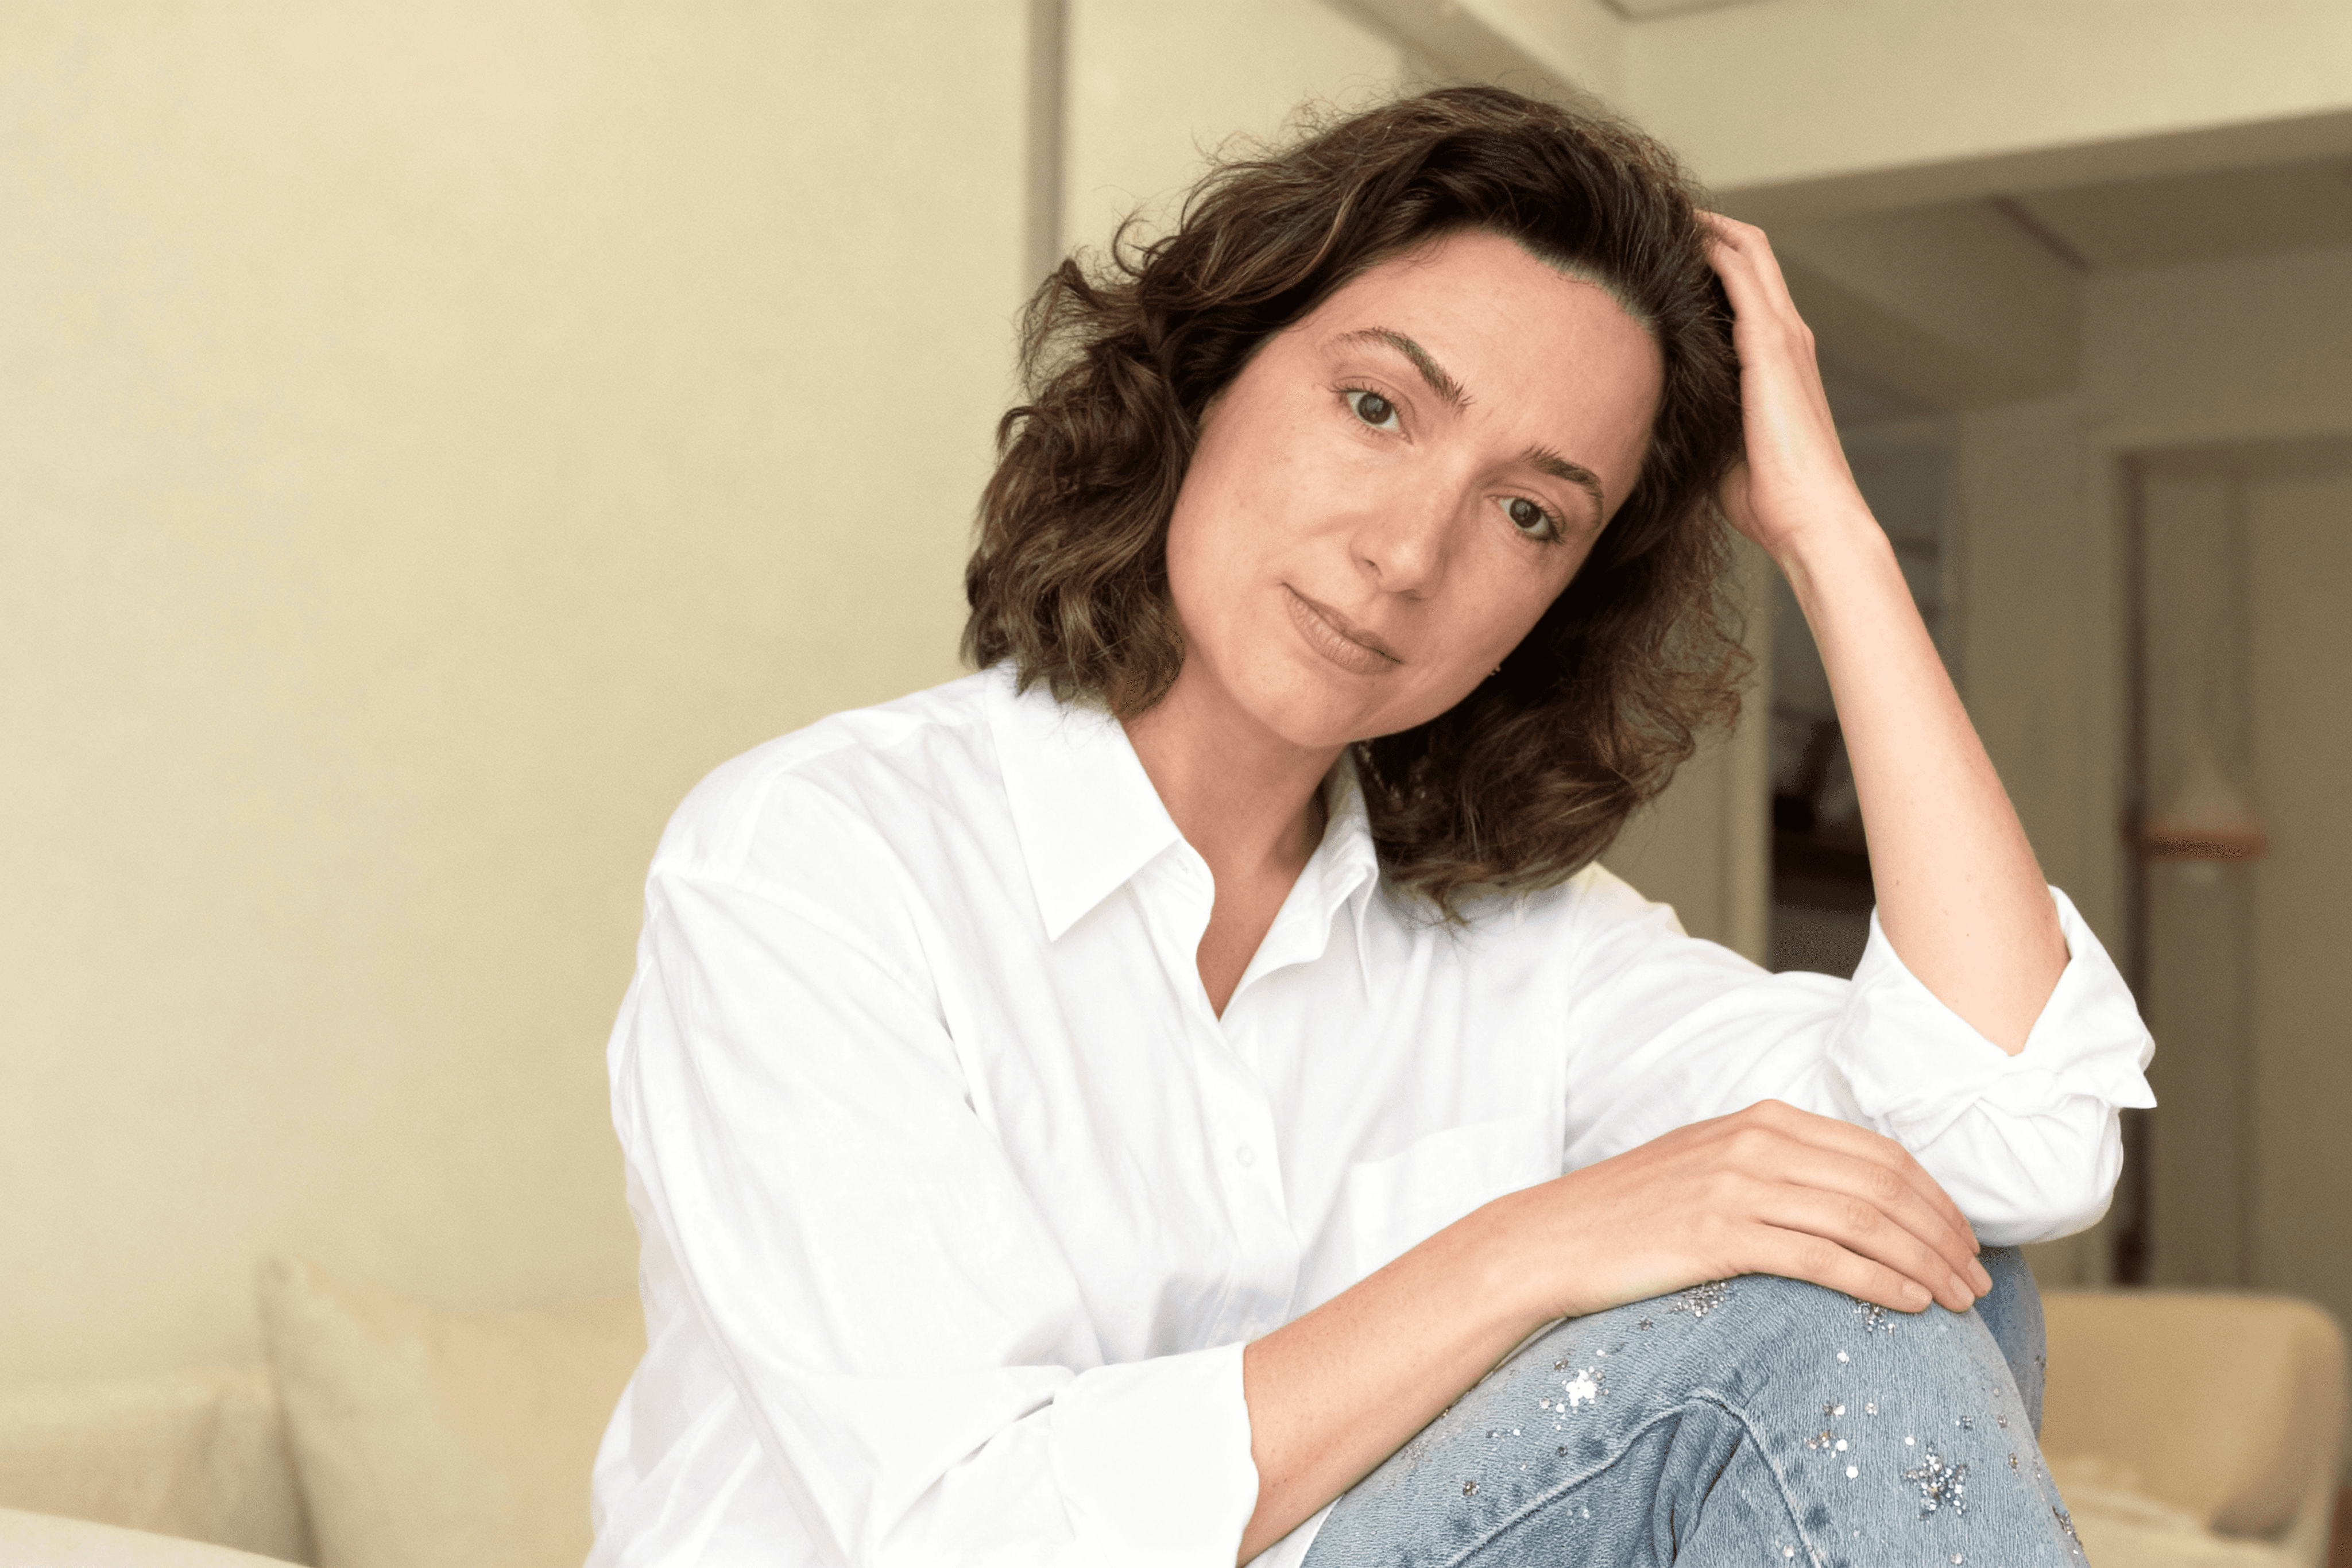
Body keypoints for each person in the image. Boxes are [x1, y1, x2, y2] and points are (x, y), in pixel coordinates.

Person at [585, 86, 2153, 1567]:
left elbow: (2006, 1142)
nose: (1411, 553)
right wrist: (1536, 1246)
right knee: (1822, 1316)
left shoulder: (1518, 941)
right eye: (1377, 405)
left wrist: (1833, 535)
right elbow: (972, 1531)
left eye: (1531, 513)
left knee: (1922, 1268)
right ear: (1208, 378)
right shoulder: (817, 860)